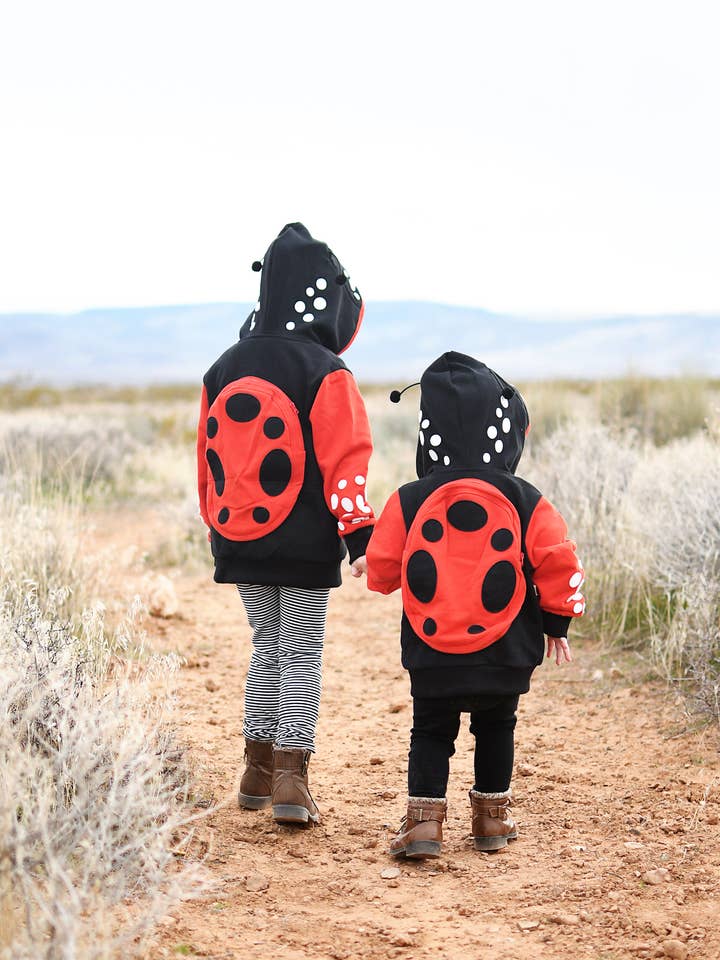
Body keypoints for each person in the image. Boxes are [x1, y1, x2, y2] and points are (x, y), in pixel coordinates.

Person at [364, 351, 585, 858]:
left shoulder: (409, 498)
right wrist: (557, 622)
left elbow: (381, 570)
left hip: (432, 649)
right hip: (506, 648)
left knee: (431, 729)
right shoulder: (528, 498)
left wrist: (373, 569)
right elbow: (558, 561)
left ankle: (422, 825)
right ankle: (491, 821)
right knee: (496, 726)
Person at [196, 223, 374, 826]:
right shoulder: (325, 370)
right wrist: (357, 536)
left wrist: (217, 527)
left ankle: (256, 769)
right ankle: (292, 780)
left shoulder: (222, 367)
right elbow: (344, 459)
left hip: (238, 534)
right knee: (299, 649)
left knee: (265, 646)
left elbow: (208, 460)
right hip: (303, 543)